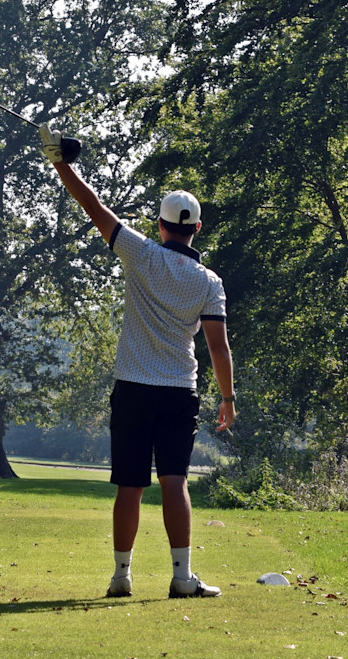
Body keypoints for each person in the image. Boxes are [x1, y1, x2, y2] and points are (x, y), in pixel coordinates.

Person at [39, 123, 236, 599]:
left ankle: (121, 576)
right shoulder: (209, 282)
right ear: (197, 229)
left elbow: (93, 207)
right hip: (178, 393)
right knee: (176, 482)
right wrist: (228, 397)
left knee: (130, 486)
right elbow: (217, 346)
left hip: (132, 388)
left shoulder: (140, 253)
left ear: (162, 223)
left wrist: (62, 163)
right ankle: (182, 577)